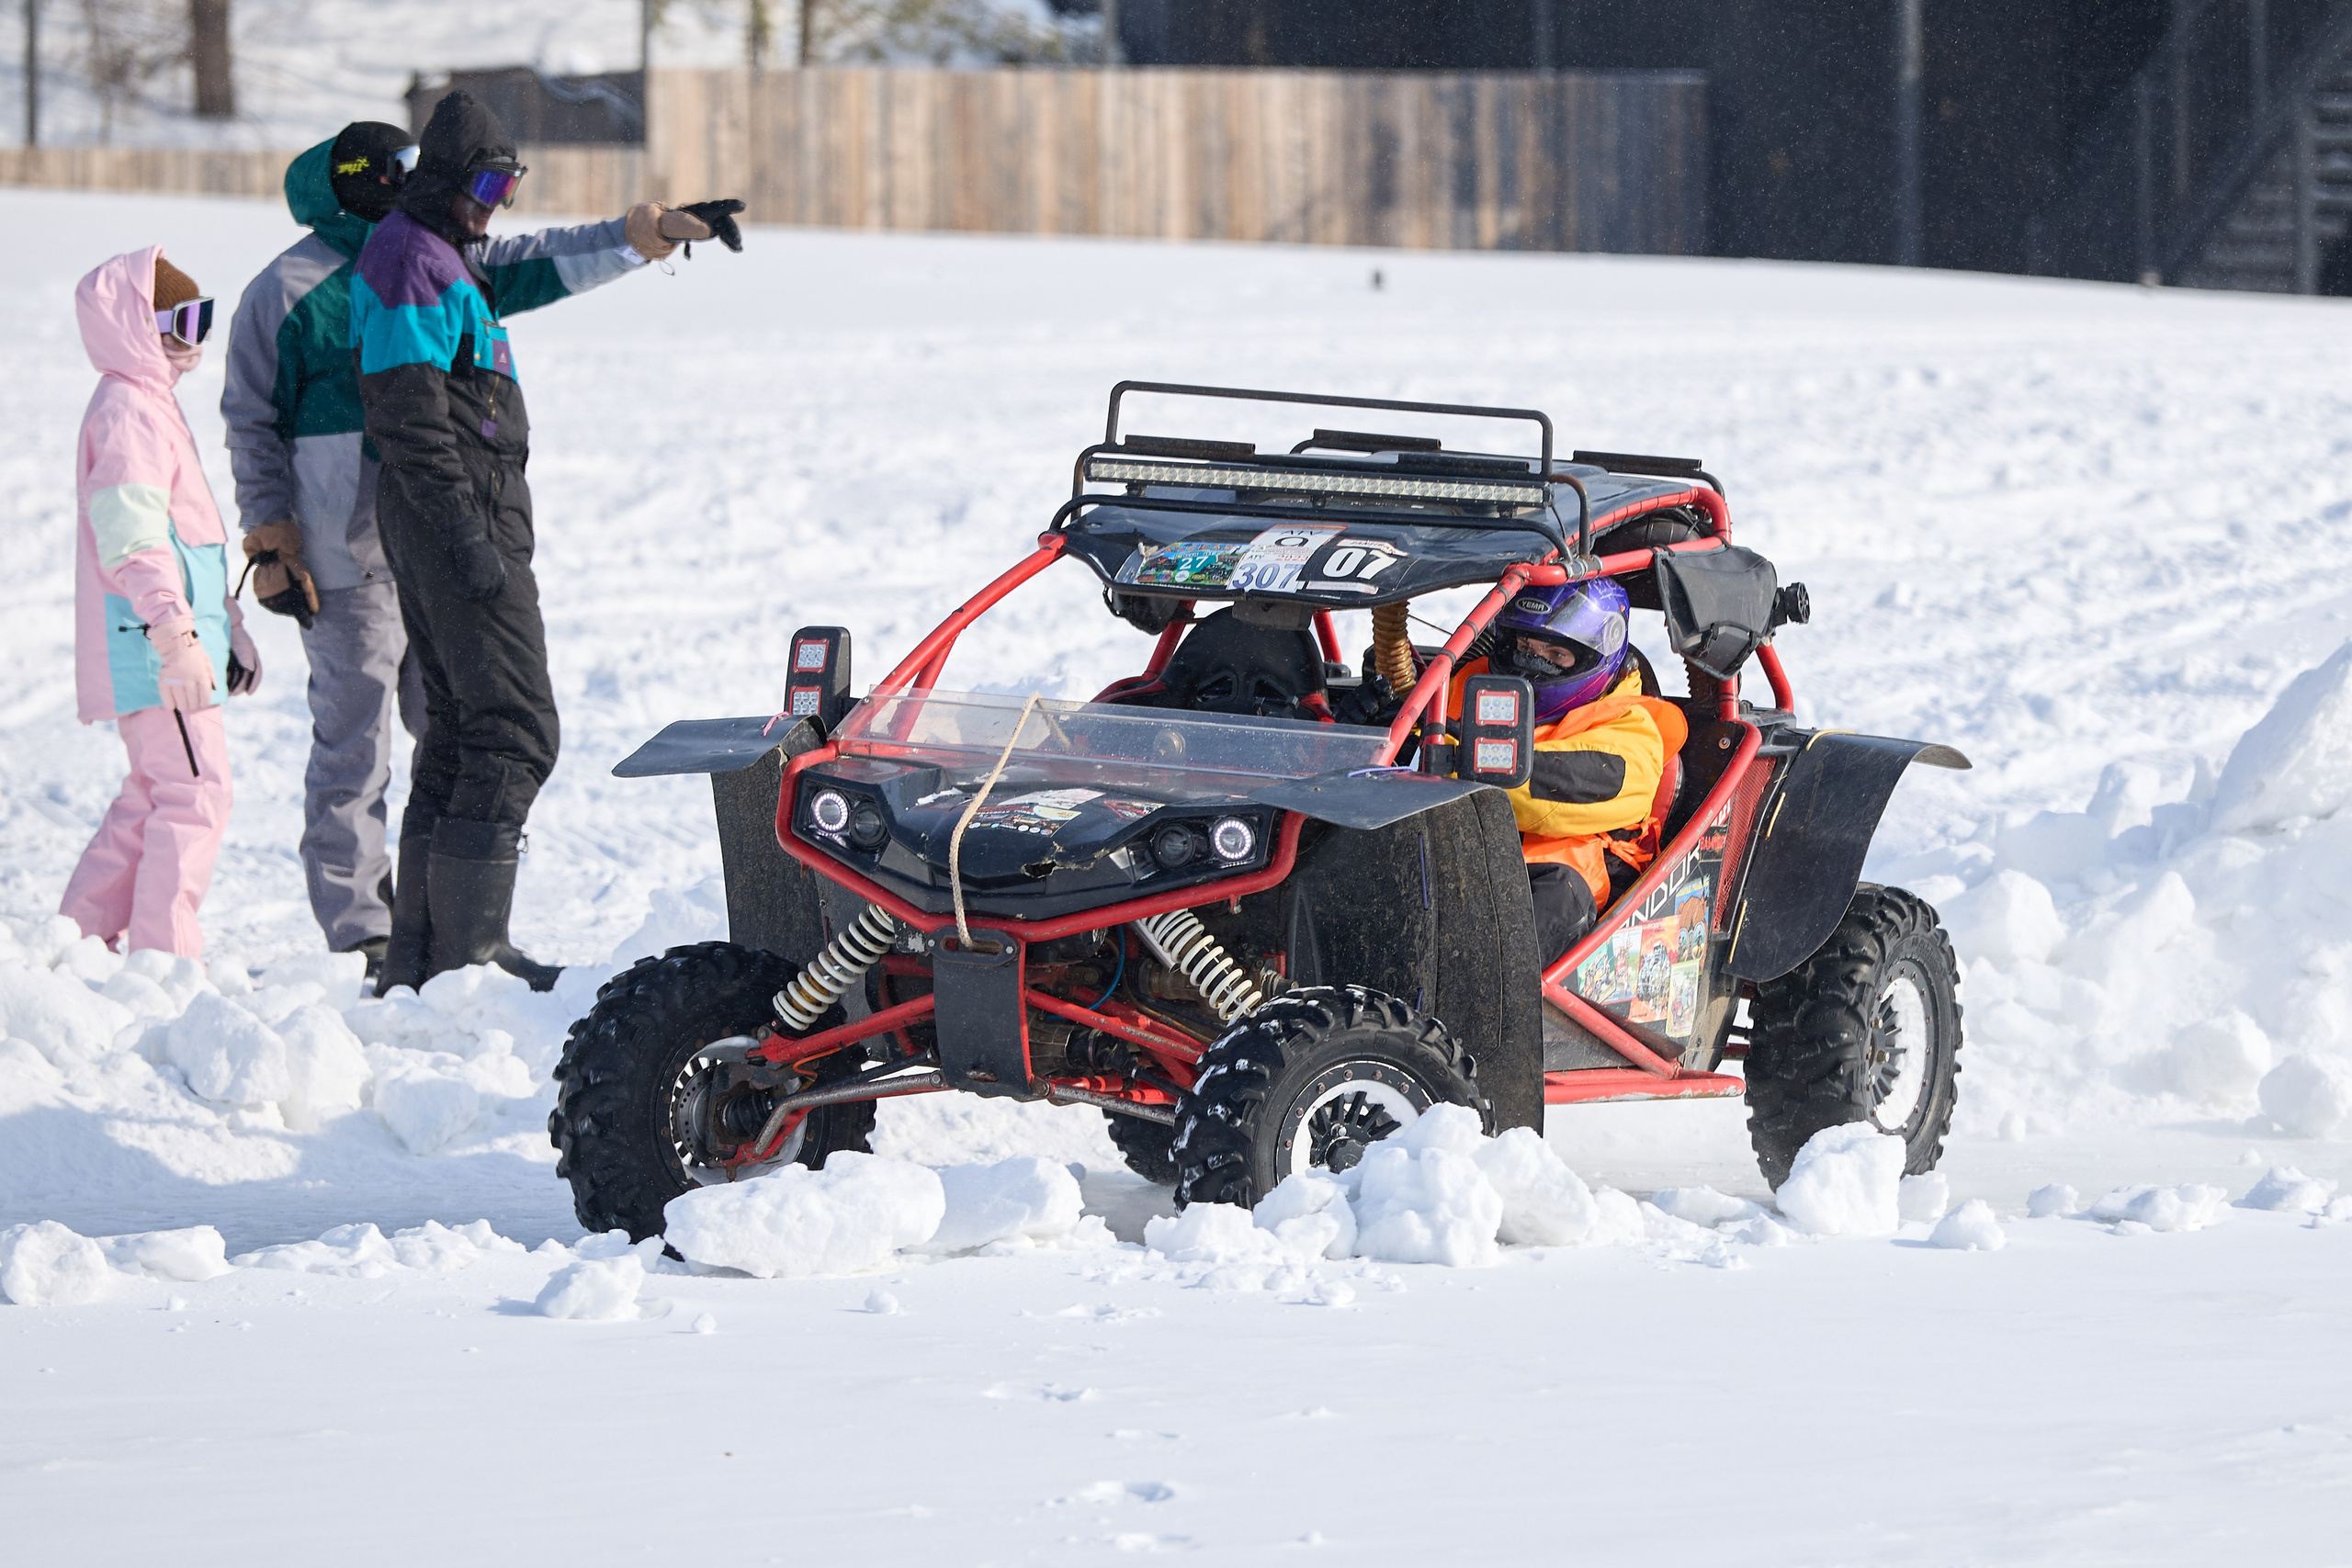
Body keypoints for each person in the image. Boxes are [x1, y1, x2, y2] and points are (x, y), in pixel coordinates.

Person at [227, 111, 740, 987]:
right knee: (357, 743)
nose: (406, 179)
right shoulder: (291, 286)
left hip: (421, 531)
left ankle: (439, 941)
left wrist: (636, 236)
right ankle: (363, 930)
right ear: (353, 178)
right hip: (344, 552)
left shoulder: (443, 253)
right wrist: (273, 536)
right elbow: (251, 417)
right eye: (389, 168)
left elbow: (542, 261)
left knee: (450, 732)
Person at [61, 250, 262, 957]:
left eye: (202, 318)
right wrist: (176, 636)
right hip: (154, 646)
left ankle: (78, 934)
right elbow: (134, 541)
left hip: (170, 642)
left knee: (154, 792)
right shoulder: (126, 412)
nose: (192, 337)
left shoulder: (149, 404)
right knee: (196, 792)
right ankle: (162, 958)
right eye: (177, 321)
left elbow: (190, 538)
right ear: (132, 325)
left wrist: (227, 627)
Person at [1451, 580, 1688, 964]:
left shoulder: (1633, 735)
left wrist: (1445, 759)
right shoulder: (1470, 684)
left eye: (1556, 654)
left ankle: (1464, 1015)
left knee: (1559, 891)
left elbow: (1527, 789)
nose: (1532, 663)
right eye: (1524, 647)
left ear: (1595, 658)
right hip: (1459, 861)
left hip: (1555, 895)